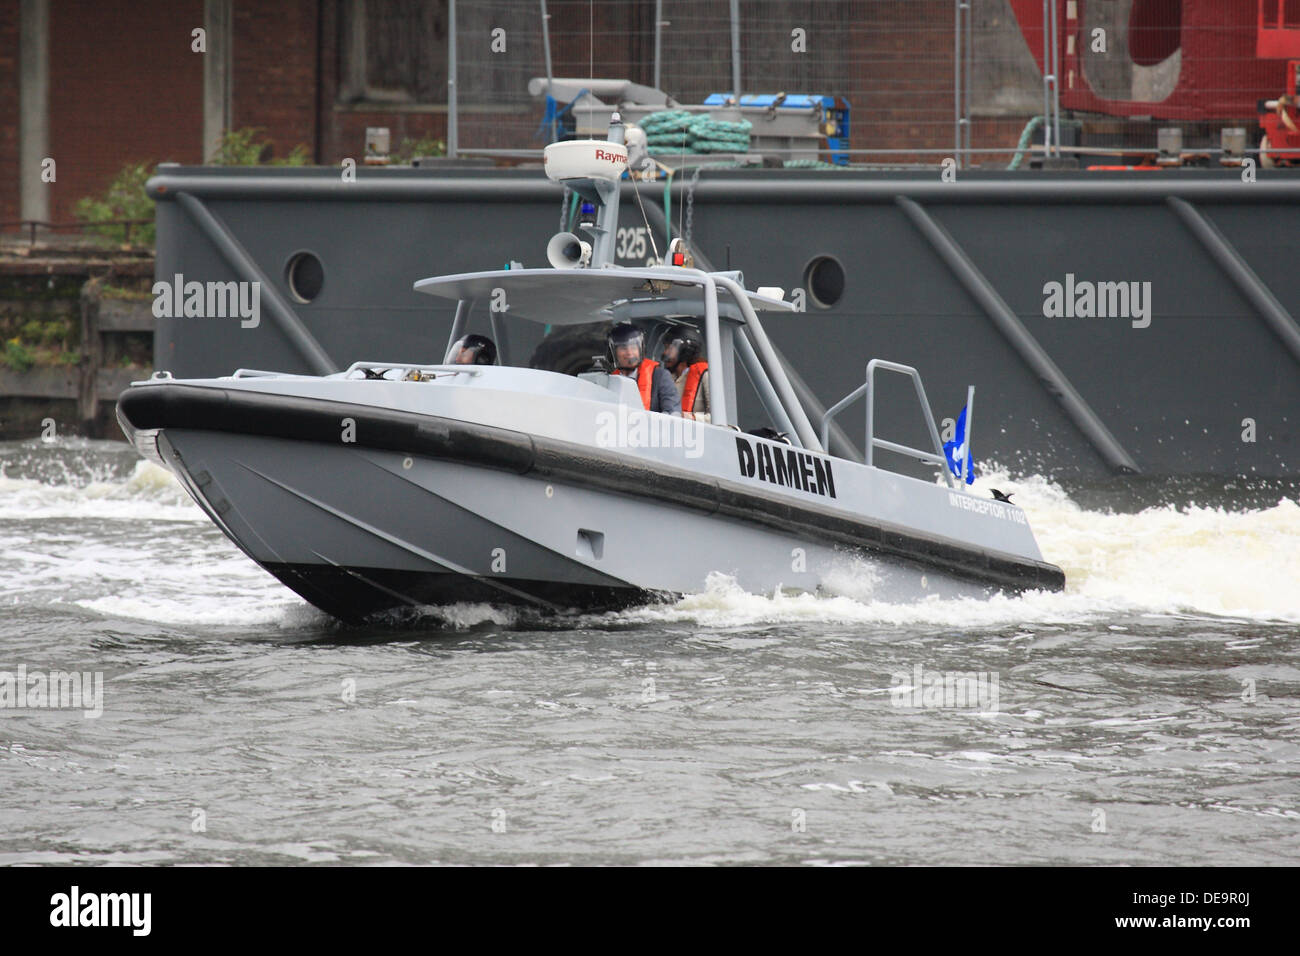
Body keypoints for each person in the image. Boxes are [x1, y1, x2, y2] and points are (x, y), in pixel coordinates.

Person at [607, 323, 680, 414]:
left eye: (633, 347)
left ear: (641, 350)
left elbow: (673, 412)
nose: (629, 352)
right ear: (613, 352)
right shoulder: (609, 381)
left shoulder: (660, 376)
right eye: (623, 348)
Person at [660, 326, 710, 422]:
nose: (665, 353)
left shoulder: (706, 376)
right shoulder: (665, 378)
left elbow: (717, 419)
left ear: (685, 351)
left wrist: (691, 418)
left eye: (669, 348)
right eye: (665, 348)